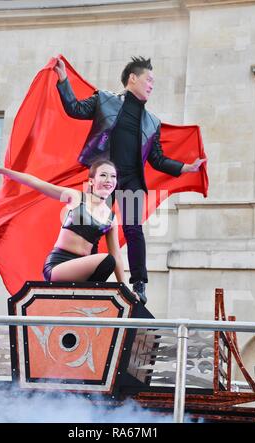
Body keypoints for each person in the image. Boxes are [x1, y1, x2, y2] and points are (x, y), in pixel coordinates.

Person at [54, 55, 206, 304]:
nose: (151, 85)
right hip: (105, 177)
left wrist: (185, 167)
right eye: (149, 79)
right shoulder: (104, 100)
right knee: (92, 227)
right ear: (132, 78)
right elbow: (76, 109)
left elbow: (156, 159)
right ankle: (87, 276)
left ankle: (139, 284)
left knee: (134, 230)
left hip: (131, 181)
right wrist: (63, 80)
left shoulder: (152, 121)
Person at [0, 160, 132, 291]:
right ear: (91, 181)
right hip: (59, 266)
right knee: (107, 261)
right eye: (103, 175)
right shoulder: (76, 197)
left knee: (109, 262)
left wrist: (124, 287)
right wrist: (2, 170)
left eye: (113, 176)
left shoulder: (111, 219)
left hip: (84, 269)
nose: (109, 180)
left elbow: (117, 255)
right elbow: (37, 183)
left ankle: (87, 299)